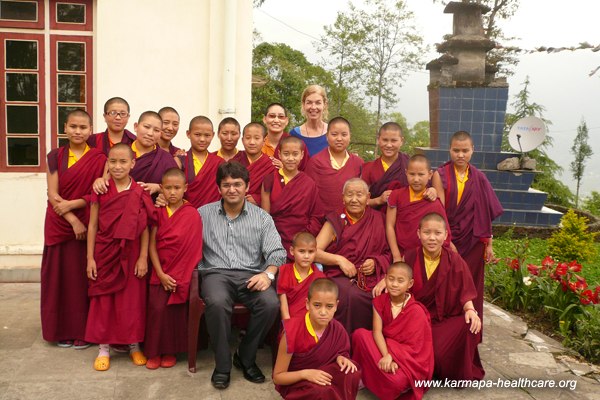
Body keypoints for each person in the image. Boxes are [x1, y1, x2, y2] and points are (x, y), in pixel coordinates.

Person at [198, 161, 286, 389]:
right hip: (216, 274)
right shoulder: (202, 214)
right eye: (226, 185)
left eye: (237, 184)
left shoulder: (262, 218)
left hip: (252, 274)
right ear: (219, 188)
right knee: (216, 302)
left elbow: (277, 252)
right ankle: (223, 365)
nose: (232, 189)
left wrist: (268, 274)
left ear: (247, 186)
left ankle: (245, 356)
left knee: (269, 304)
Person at [85, 143, 155, 371]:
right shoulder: (101, 189)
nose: (117, 166)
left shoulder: (140, 192)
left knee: (132, 301)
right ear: (107, 163)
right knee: (104, 301)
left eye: (123, 161)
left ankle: (133, 345)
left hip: (133, 253)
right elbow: (93, 225)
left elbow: (145, 228)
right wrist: (90, 258)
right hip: (105, 252)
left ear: (132, 164)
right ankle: (103, 348)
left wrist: (143, 257)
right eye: (112, 161)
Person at [41, 110, 106, 349]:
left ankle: (84, 330)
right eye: (73, 127)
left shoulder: (100, 158)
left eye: (83, 127)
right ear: (65, 127)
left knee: (82, 280)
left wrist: (77, 207)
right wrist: (72, 219)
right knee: (59, 278)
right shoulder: (55, 156)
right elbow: (53, 194)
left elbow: (98, 192)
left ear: (90, 130)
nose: (78, 132)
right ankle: (61, 330)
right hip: (61, 222)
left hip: (88, 219)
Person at [403, 212, 484, 381]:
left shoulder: (455, 260)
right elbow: (400, 289)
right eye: (427, 233)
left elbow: (465, 291)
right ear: (418, 234)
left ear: (446, 235)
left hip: (444, 321)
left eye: (438, 233)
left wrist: (470, 309)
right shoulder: (409, 257)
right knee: (429, 356)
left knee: (468, 323)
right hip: (416, 322)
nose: (432, 238)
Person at [432, 130, 503, 319]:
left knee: (471, 286)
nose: (460, 155)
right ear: (450, 150)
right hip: (449, 239)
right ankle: (447, 326)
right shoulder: (440, 175)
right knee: (447, 284)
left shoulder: (479, 178)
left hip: (473, 243)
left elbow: (485, 214)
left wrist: (489, 244)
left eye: (465, 150)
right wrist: (447, 241)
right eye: (456, 150)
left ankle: (468, 330)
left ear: (473, 150)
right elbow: (439, 211)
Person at [145, 168, 203, 369]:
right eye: (168, 188)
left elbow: (194, 248)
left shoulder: (192, 214)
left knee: (174, 314)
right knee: (156, 311)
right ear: (161, 188)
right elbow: (152, 245)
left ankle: (170, 351)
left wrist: (178, 275)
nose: (172, 192)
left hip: (180, 274)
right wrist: (160, 274)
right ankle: (153, 352)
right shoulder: (157, 211)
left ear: (185, 188)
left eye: (177, 188)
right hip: (159, 270)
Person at [315, 178, 390, 333]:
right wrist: (339, 260)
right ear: (343, 198)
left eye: (359, 195)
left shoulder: (378, 219)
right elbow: (314, 252)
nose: (354, 199)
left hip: (372, 277)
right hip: (339, 275)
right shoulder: (335, 220)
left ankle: (368, 342)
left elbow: (389, 253)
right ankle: (344, 342)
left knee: (383, 297)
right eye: (349, 195)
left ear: (368, 197)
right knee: (351, 296)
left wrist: (376, 262)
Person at [352, 262, 434, 400]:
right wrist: (386, 356)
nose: (394, 284)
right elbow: (377, 332)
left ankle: (374, 377)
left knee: (397, 382)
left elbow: (418, 348)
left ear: (410, 283)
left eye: (400, 281)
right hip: (386, 350)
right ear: (385, 279)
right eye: (391, 279)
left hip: (407, 361)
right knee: (359, 334)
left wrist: (393, 356)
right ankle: (368, 375)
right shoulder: (379, 301)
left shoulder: (416, 311)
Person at [273, 278, 361, 399]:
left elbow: (341, 352)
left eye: (329, 306)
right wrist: (305, 374)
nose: (323, 312)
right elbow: (278, 377)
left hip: (323, 375)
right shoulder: (291, 331)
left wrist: (342, 357)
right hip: (298, 381)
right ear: (307, 304)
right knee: (322, 391)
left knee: (351, 371)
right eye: (317, 305)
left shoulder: (337, 329)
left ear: (336, 306)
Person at [261, 136, 323, 259]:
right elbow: (265, 218)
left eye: (295, 154)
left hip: (302, 241)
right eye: (286, 154)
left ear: (302, 155)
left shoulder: (309, 183)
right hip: (275, 239)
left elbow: (316, 216)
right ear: (279, 154)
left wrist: (304, 237)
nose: (290, 158)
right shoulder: (269, 180)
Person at [92, 111, 178, 198]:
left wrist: (158, 188)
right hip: (118, 206)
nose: (150, 133)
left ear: (160, 134)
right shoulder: (119, 152)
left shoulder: (166, 159)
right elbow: (106, 182)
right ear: (136, 127)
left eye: (156, 130)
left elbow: (178, 189)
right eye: (146, 127)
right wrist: (100, 182)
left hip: (151, 208)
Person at [385, 155, 450, 264]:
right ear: (406, 173)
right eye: (412, 174)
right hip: (401, 252)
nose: (416, 179)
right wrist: (396, 256)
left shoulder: (434, 201)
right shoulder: (396, 195)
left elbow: (443, 231)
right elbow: (389, 226)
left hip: (425, 255)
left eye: (421, 174)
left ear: (430, 175)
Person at [305, 117, 363, 216]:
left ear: (350, 136)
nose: (339, 139)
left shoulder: (358, 163)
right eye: (334, 134)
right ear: (327, 136)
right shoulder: (315, 162)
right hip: (321, 219)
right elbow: (307, 194)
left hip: (351, 218)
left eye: (344, 134)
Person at [176, 116, 225, 208]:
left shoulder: (219, 162)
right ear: (188, 134)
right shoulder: (180, 160)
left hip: (213, 214)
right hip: (187, 213)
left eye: (207, 135)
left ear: (213, 135)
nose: (202, 139)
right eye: (197, 135)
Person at [277, 232, 325, 320]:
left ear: (316, 252)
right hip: (290, 321)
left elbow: (320, 307)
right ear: (292, 251)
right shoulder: (284, 271)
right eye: (302, 251)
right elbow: (283, 305)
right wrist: (288, 326)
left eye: (311, 252)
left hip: (312, 322)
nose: (306, 256)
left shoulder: (319, 277)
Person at [362, 122, 410, 209]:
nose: (388, 145)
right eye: (385, 140)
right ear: (378, 139)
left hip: (404, 218)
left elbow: (421, 192)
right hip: (376, 219)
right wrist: (378, 200)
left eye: (394, 140)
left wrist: (431, 191)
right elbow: (360, 200)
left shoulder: (410, 164)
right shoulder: (369, 168)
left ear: (401, 141)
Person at [232, 122, 276, 206]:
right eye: (248, 138)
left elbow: (276, 194)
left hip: (260, 213)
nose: (252, 142)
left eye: (257, 138)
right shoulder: (234, 162)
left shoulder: (270, 165)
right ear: (242, 140)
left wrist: (258, 199)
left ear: (264, 141)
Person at [262, 103, 309, 170]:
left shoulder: (297, 145)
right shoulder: (258, 145)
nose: (276, 120)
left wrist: (285, 170)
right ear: (264, 119)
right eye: (272, 116)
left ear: (286, 121)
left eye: (281, 117)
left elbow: (305, 175)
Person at [289, 85, 330, 157]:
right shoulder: (294, 135)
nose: (313, 107)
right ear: (303, 104)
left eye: (318, 103)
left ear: (325, 105)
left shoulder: (333, 133)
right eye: (309, 102)